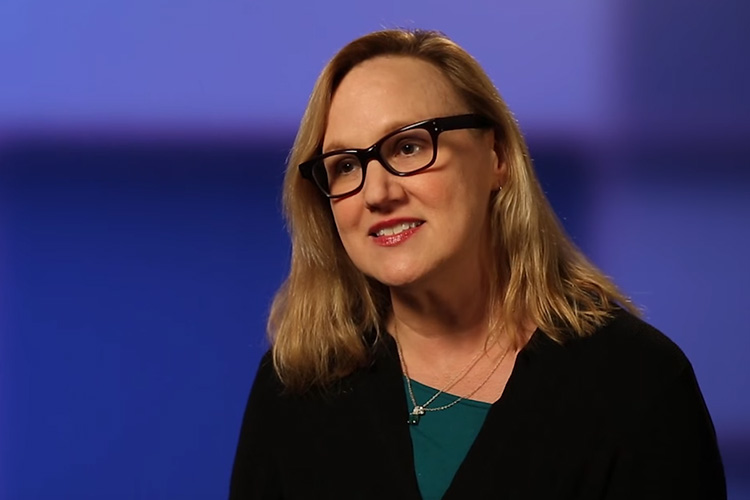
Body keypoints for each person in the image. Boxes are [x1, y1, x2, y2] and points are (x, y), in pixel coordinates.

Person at [229, 29, 725, 499]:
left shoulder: (640, 384)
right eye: (346, 166)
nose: (377, 193)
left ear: (497, 156)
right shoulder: (297, 385)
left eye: (409, 146)